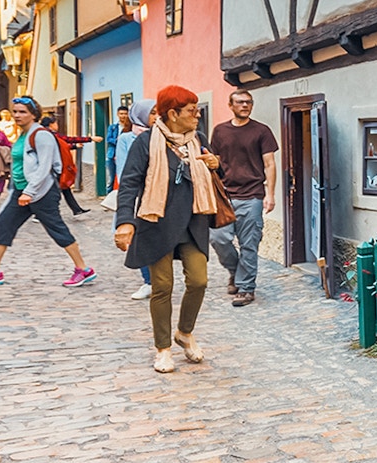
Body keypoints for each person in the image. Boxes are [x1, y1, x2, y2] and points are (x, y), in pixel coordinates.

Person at [115, 86, 218, 373]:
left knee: (199, 281)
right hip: (156, 223)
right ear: (172, 114)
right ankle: (162, 349)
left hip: (193, 222)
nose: (197, 115)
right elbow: (129, 183)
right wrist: (125, 221)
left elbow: (215, 173)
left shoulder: (198, 139)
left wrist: (215, 164)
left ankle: (184, 332)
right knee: (162, 287)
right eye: (191, 111)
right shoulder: (146, 142)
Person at [0, 96, 96, 287]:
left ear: (33, 114)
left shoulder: (41, 135)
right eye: (15, 111)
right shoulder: (23, 135)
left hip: (41, 192)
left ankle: (83, 269)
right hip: (21, 191)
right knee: (3, 225)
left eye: (22, 112)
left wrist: (30, 192)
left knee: (56, 228)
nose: (17, 115)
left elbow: (44, 167)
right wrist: (17, 189)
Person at [207, 89, 278, 307]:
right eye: (240, 102)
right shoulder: (220, 131)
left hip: (252, 195)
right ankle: (235, 271)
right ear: (230, 105)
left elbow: (270, 164)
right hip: (225, 196)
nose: (245, 105)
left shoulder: (261, 131)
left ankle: (246, 288)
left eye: (248, 102)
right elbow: (214, 163)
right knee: (218, 238)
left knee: (249, 244)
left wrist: (270, 194)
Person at [116, 99, 157, 300]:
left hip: (157, 195)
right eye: (152, 113)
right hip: (138, 197)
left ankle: (159, 279)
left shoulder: (164, 137)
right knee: (139, 239)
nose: (156, 117)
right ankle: (148, 281)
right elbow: (125, 170)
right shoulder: (127, 138)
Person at [38, 116, 98, 216]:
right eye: (56, 123)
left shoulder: (45, 134)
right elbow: (68, 140)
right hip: (53, 166)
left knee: (65, 188)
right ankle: (40, 213)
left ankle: (76, 209)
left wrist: (74, 146)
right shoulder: (50, 135)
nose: (57, 125)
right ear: (51, 124)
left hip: (52, 166)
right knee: (52, 191)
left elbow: (61, 146)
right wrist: (90, 139)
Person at [106, 105, 129, 192]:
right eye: (121, 114)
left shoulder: (129, 127)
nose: (123, 116)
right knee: (111, 179)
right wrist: (118, 140)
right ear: (117, 114)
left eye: (125, 114)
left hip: (124, 156)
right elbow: (108, 139)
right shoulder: (113, 127)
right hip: (112, 155)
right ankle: (109, 196)